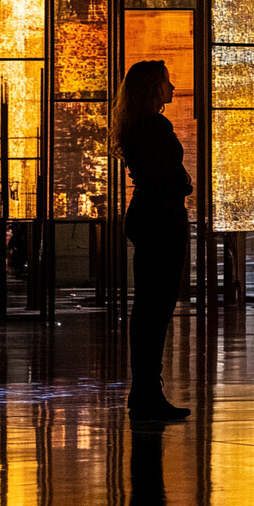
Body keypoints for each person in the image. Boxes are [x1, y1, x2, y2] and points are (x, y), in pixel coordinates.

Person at [110, 60, 192, 421]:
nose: (173, 89)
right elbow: (171, 178)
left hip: (147, 215)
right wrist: (185, 185)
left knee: (148, 305)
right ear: (153, 88)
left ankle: (143, 389)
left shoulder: (136, 125)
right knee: (156, 306)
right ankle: (147, 391)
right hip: (162, 218)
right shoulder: (155, 125)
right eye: (167, 82)